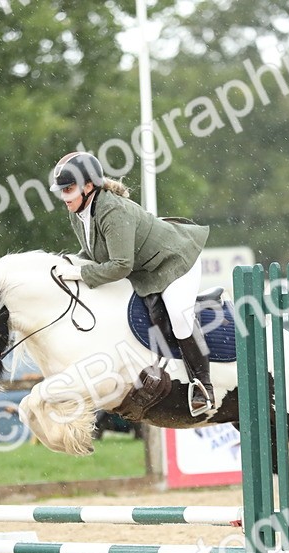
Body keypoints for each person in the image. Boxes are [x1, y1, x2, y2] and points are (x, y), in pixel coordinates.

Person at [48, 151, 214, 415]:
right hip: (145, 272)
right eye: (62, 190)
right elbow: (91, 255)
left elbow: (120, 265)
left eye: (69, 189)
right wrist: (66, 265)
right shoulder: (78, 211)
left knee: (178, 316)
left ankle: (203, 388)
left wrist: (80, 274)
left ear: (88, 186)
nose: (64, 196)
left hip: (175, 261)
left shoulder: (112, 210)